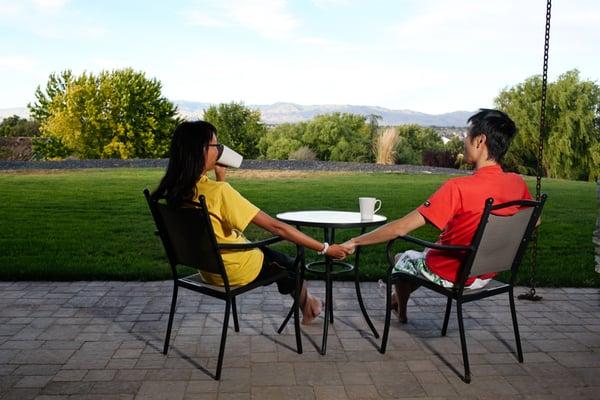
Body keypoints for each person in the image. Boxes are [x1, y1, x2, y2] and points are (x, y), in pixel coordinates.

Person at [340, 109, 533, 323]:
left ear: (479, 141)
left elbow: (400, 228)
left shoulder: (458, 188)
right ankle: (397, 299)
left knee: (403, 258)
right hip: (487, 273)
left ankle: (401, 312)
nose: (464, 142)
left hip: (455, 274)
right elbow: (534, 222)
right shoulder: (517, 182)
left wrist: (355, 241)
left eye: (466, 136)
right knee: (427, 252)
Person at [152, 121, 349, 324]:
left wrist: (220, 177)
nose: (220, 152)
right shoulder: (219, 193)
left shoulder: (176, 191)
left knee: (281, 264)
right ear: (200, 151)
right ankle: (310, 306)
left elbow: (217, 217)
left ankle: (311, 306)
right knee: (291, 264)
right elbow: (276, 227)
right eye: (216, 146)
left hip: (209, 271)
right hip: (237, 269)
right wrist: (325, 248)